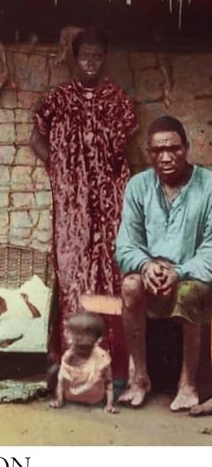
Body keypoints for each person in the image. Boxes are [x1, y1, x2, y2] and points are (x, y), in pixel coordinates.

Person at [30, 28, 137, 373]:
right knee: (74, 272)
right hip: (72, 204)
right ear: (75, 59)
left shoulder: (118, 100)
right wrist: (62, 171)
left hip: (109, 201)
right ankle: (74, 362)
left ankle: (112, 362)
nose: (90, 62)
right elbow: (36, 140)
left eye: (96, 56)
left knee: (109, 270)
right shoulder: (57, 99)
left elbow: (125, 150)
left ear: (104, 58)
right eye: (84, 56)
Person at [115, 116, 212, 411]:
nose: (166, 157)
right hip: (153, 272)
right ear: (149, 152)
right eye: (157, 151)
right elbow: (126, 243)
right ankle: (140, 378)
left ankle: (187, 385)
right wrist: (145, 265)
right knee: (130, 285)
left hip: (194, 273)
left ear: (187, 147)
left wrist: (179, 271)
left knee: (187, 292)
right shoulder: (138, 186)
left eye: (174, 148)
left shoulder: (209, 185)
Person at [49, 311, 116, 413]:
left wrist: (109, 405)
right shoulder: (68, 355)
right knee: (53, 370)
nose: (78, 341)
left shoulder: (101, 356)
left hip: (95, 398)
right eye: (76, 340)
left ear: (97, 340)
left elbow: (109, 383)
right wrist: (59, 400)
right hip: (72, 396)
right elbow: (61, 381)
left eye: (83, 341)